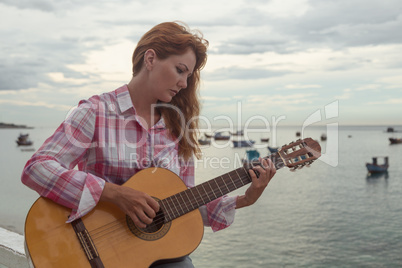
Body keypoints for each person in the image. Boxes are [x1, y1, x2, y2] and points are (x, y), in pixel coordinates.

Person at [21, 21, 276, 267]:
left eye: (189, 75)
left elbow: (186, 205)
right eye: (180, 70)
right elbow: (37, 168)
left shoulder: (178, 129)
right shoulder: (96, 112)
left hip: (156, 256)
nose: (185, 84)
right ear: (151, 59)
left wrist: (245, 199)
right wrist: (113, 194)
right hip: (92, 252)